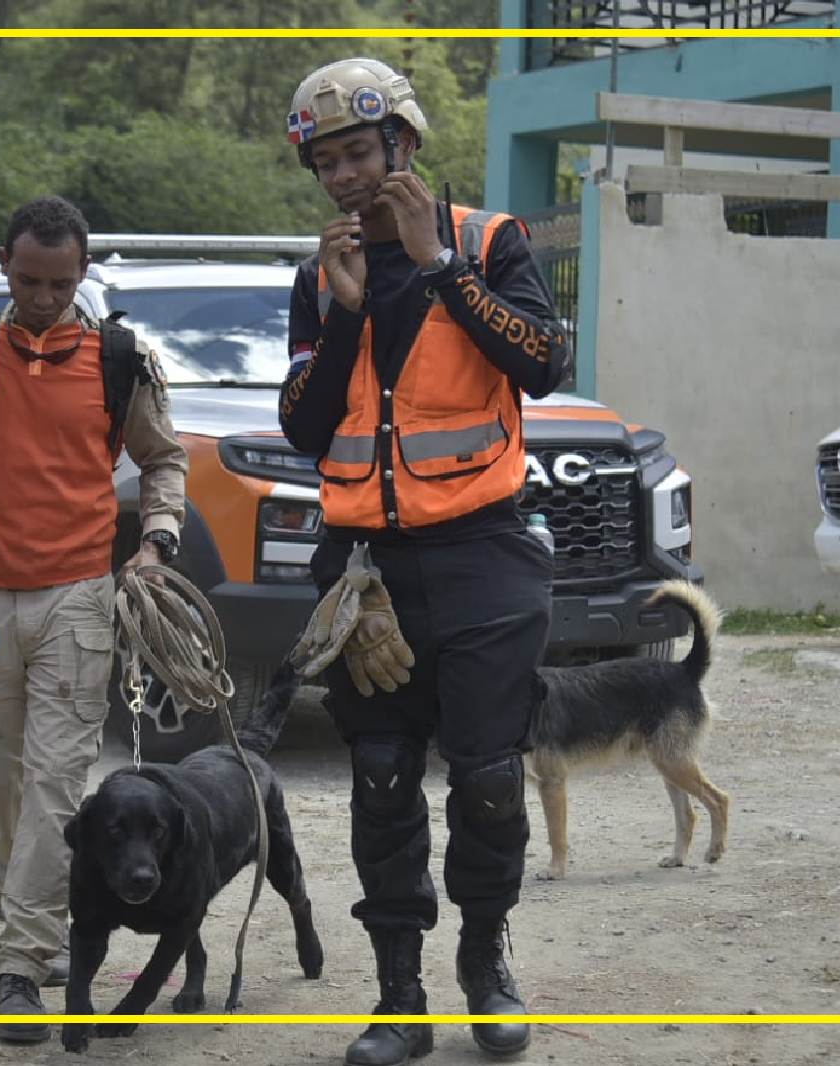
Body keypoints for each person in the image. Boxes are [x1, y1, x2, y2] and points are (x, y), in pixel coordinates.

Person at [276, 57, 571, 1066]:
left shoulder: (491, 242)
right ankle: (399, 995)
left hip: (484, 553)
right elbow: (308, 428)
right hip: (366, 568)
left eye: (360, 153)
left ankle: (486, 959)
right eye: (328, 164)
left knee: (488, 776)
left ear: (403, 143)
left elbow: (543, 361)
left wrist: (439, 263)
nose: (345, 177)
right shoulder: (318, 277)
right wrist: (349, 310)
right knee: (382, 773)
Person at [0, 194, 188, 1044]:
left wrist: (156, 542)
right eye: (28, 281)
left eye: (60, 283)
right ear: (4, 269)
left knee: (57, 782)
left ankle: (20, 963)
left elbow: (163, 459)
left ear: (82, 272)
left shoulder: (120, 359)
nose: (45, 298)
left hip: (78, 602)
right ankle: (41, 922)